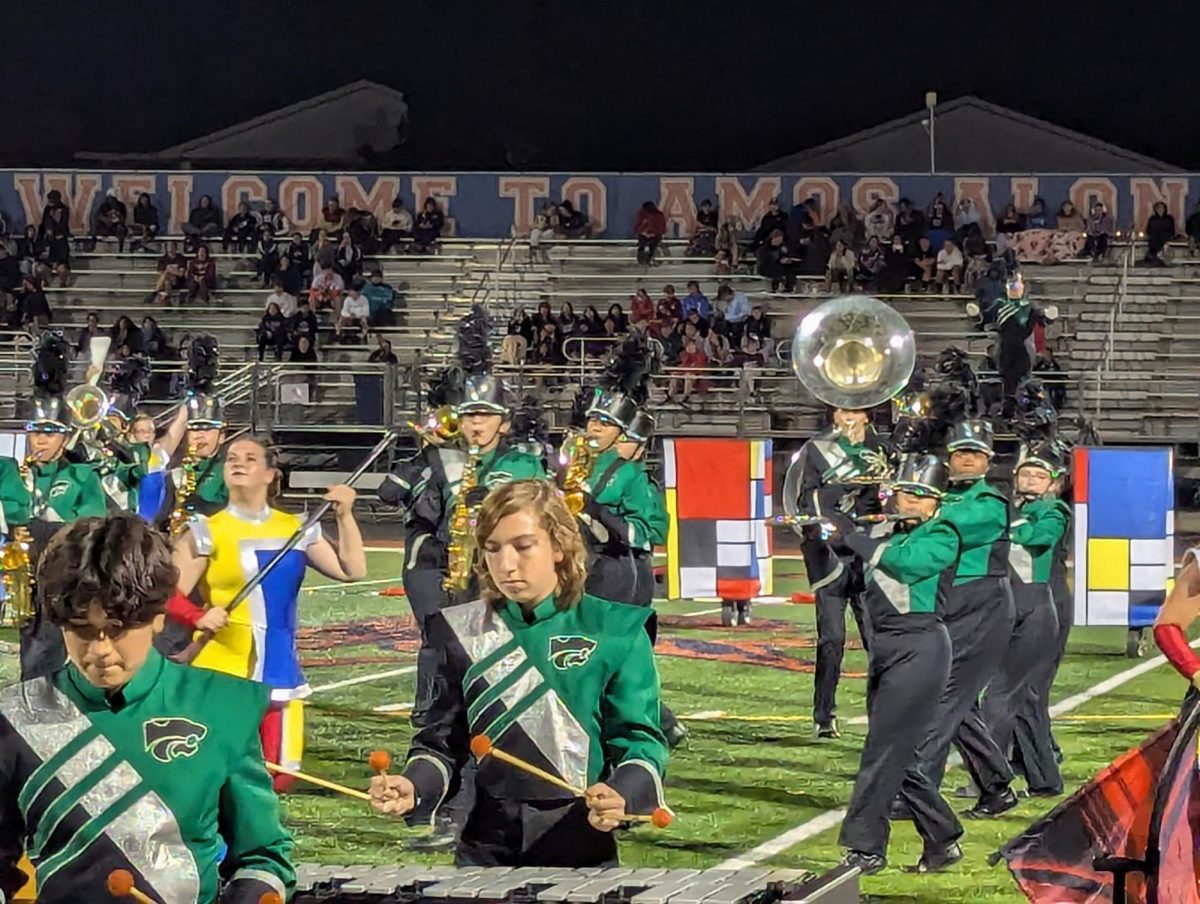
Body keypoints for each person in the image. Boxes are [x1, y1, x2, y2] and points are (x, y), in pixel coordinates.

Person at [369, 479, 669, 867]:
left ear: (559, 547)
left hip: (579, 837)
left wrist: (621, 792)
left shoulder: (616, 628)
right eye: (492, 549)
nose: (506, 565)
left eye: (523, 547)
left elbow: (639, 740)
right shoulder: (456, 630)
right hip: (485, 841)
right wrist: (412, 785)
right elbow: (440, 742)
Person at [0, 515, 295, 904]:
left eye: (118, 628)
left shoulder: (222, 706)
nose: (101, 650)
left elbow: (263, 856)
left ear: (157, 618)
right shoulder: (16, 717)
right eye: (82, 630)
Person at [171, 437, 366, 788]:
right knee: (216, 769)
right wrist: (196, 616)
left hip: (279, 667)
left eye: (249, 458)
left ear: (270, 474)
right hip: (223, 668)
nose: (238, 463)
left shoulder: (297, 528)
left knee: (279, 774)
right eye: (231, 458)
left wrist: (345, 516)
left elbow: (352, 570)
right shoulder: (206, 532)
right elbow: (166, 593)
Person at [830, 455, 960, 874]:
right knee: (895, 752)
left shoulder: (944, 533)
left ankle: (865, 847)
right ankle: (942, 837)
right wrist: (830, 534)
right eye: (905, 492)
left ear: (936, 503)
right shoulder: (883, 530)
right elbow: (853, 578)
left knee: (882, 750)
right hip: (885, 646)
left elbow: (908, 567)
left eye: (920, 496)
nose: (909, 501)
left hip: (920, 646)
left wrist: (859, 539)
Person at [893, 418, 1017, 851]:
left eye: (975, 453)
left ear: (987, 460)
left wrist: (914, 499)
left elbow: (947, 526)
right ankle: (997, 784)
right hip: (954, 603)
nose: (966, 459)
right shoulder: (944, 497)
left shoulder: (988, 503)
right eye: (960, 451)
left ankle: (918, 789)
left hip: (982, 606)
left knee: (942, 697)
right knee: (958, 703)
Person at [784, 407, 887, 735]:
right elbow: (805, 500)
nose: (849, 417)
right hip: (830, 555)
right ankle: (824, 716)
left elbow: (893, 498)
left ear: (868, 416)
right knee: (832, 639)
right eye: (843, 410)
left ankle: (882, 711)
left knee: (877, 639)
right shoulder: (816, 449)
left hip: (871, 552)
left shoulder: (882, 449)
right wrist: (844, 489)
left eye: (856, 410)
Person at [987, 442, 1069, 798]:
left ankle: (994, 776)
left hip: (1042, 606)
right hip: (1014, 606)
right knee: (1025, 698)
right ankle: (1041, 775)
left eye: (1040, 476)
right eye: (1026, 474)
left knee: (1009, 695)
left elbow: (1038, 538)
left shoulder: (1053, 509)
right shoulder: (1010, 507)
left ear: (1053, 483)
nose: (1032, 481)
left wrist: (1003, 522)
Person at [15, 392, 110, 679]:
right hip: (19, 576)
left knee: (46, 653)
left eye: (50, 432)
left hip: (61, 578)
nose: (40, 440)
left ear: (65, 437)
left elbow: (91, 525)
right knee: (26, 650)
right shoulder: (16, 476)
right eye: (35, 431)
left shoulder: (81, 475)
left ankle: (42, 713)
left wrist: (40, 528)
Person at [577, 378, 669, 604]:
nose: (595, 428)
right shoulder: (571, 463)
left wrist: (600, 514)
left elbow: (647, 536)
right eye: (592, 420)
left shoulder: (631, 475)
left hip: (615, 571)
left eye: (606, 423)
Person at [334, 278, 370, 342]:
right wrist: (350, 315)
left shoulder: (364, 299)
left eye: (351, 291)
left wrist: (357, 315)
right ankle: (338, 333)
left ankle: (364, 334)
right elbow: (344, 311)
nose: (350, 293)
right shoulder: (348, 300)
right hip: (349, 318)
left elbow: (366, 312)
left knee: (364, 320)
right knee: (341, 319)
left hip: (360, 317)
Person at [93, 187, 128, 251]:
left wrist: (118, 218)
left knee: (121, 229)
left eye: (113, 198)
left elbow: (123, 218)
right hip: (105, 227)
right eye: (110, 198)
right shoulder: (103, 206)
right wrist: (107, 220)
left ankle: (121, 250)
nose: (112, 200)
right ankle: (93, 245)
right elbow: (100, 217)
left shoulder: (121, 206)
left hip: (117, 227)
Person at [1144, 200, 1177, 265]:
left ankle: (1161, 254)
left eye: (1162, 208)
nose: (1160, 209)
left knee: (1164, 236)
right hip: (1155, 238)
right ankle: (1156, 254)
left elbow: (1172, 230)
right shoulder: (1152, 219)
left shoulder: (1169, 218)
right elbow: (1148, 230)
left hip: (1166, 237)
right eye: (1158, 208)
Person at [635, 201, 667, 265]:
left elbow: (661, 227)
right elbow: (637, 226)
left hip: (655, 235)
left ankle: (649, 259)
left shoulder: (659, 215)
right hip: (644, 234)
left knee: (653, 245)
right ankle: (641, 260)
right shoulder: (641, 214)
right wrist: (643, 232)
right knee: (642, 245)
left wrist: (654, 233)